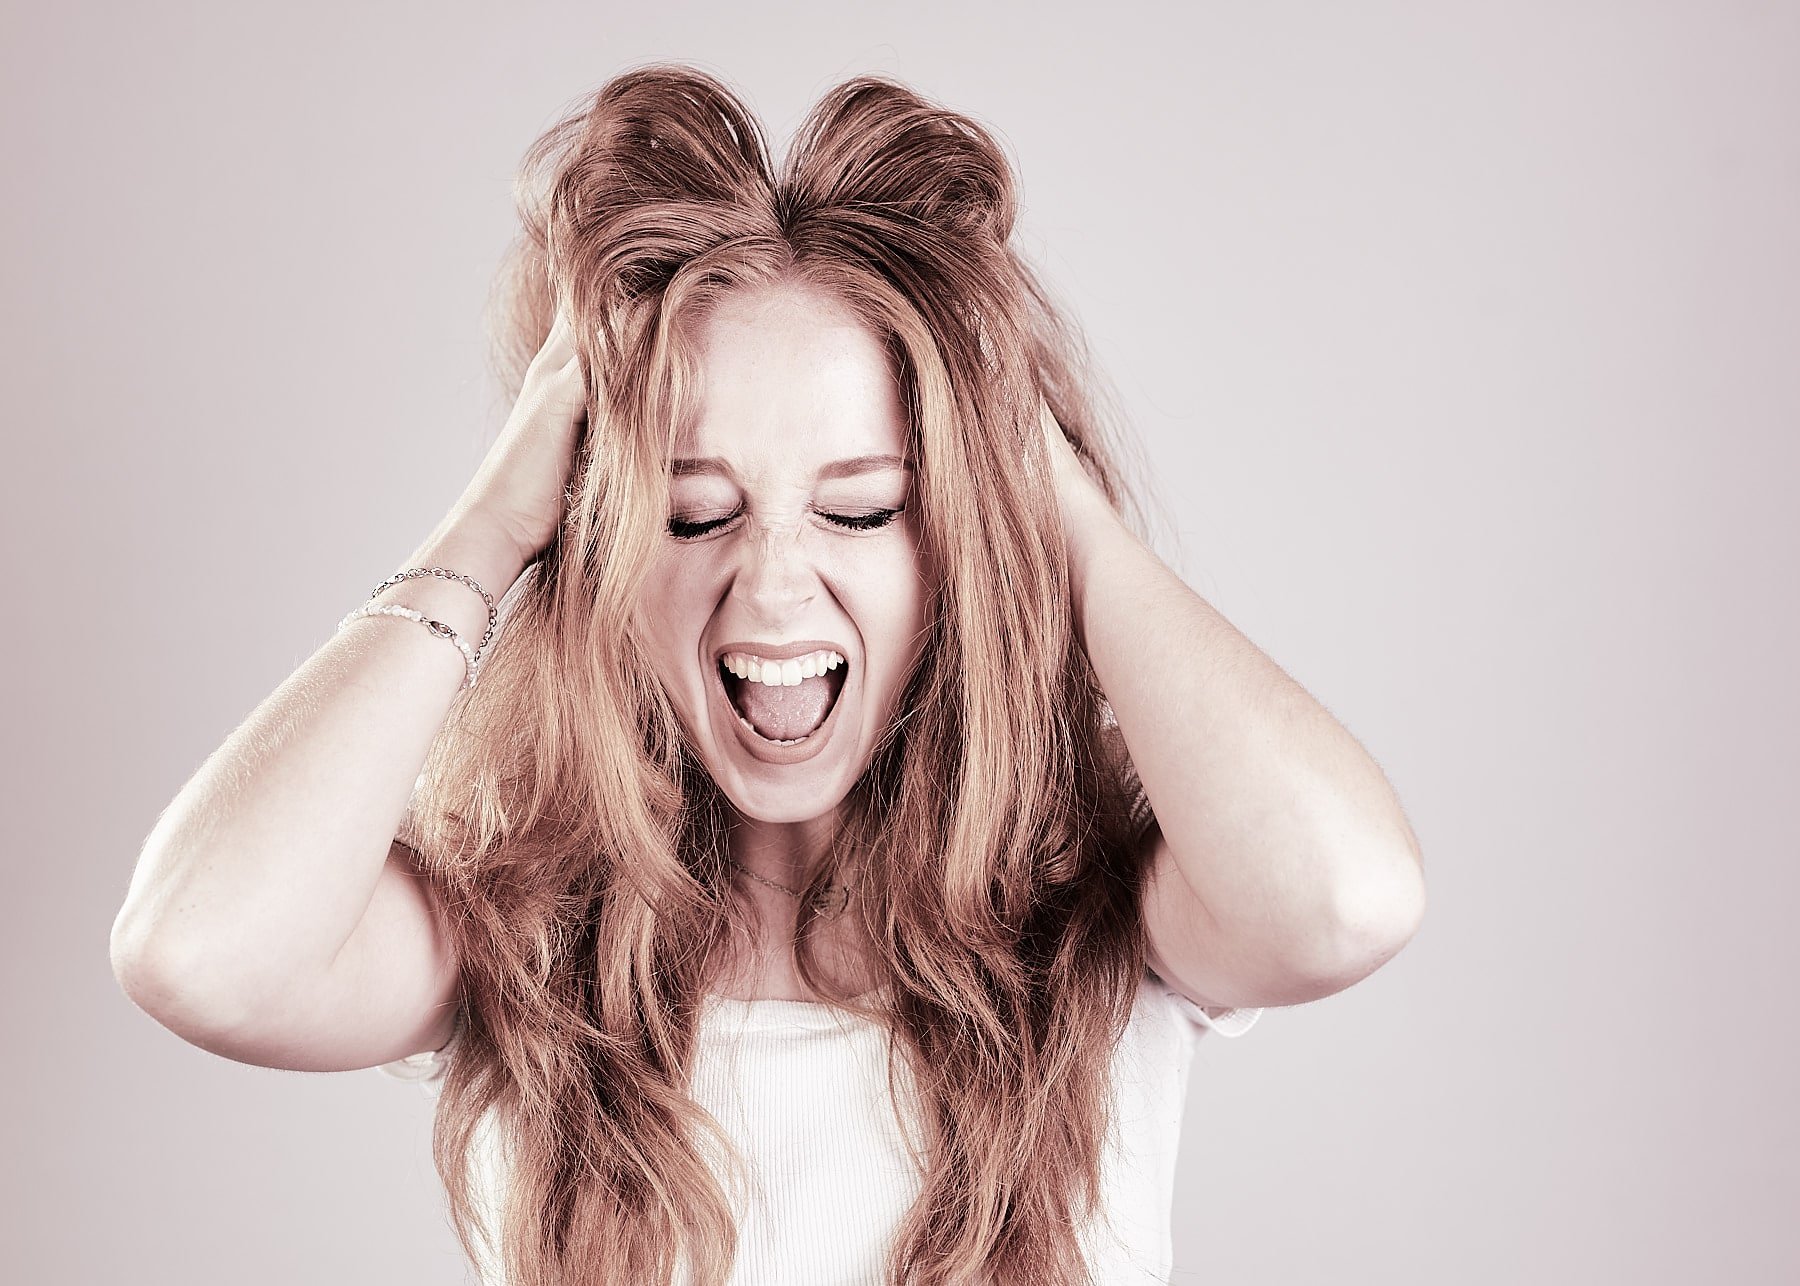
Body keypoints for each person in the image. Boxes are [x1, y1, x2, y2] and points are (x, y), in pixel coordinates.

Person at [109, 64, 1426, 1286]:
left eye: (860, 509)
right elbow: (199, 953)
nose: (774, 586)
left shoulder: (1107, 920)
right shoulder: (522, 943)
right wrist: (493, 526)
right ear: (598, 545)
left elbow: (1347, 896)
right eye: (692, 512)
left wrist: (1047, 503)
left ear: (960, 541)